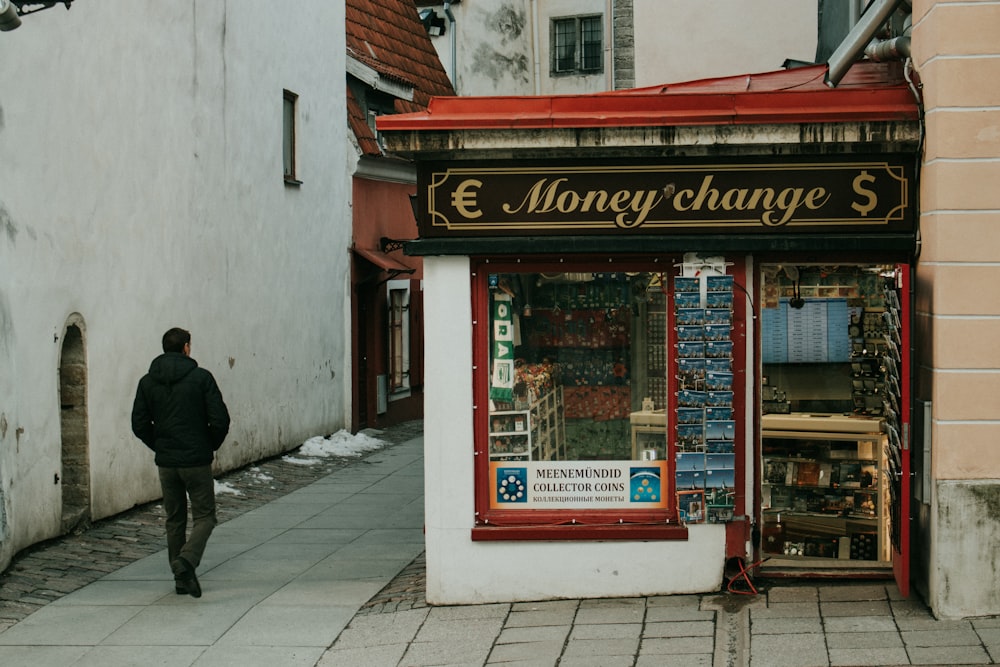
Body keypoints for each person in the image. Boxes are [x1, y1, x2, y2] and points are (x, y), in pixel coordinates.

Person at [131, 327, 230, 598]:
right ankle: (185, 562)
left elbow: (139, 424)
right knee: (206, 516)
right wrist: (208, 444)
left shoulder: (147, 382)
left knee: (174, 519)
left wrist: (160, 445)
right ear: (186, 347)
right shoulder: (201, 378)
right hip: (195, 460)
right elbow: (220, 419)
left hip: (167, 462)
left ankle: (180, 579)